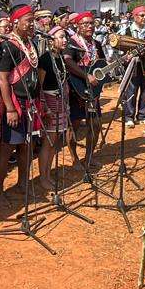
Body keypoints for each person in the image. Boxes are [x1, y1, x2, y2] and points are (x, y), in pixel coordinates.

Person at [0, 4, 40, 206]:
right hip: (15, 104)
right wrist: (10, 109)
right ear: (15, 22)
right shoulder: (8, 46)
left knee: (27, 146)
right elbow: (3, 78)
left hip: (30, 102)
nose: (32, 24)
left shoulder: (32, 44)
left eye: (33, 20)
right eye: (28, 20)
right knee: (7, 148)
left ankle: (23, 182)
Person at [65, 11, 103, 170]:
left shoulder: (97, 44)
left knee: (95, 125)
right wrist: (86, 76)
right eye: (85, 24)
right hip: (76, 91)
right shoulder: (72, 43)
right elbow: (67, 61)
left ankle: (89, 157)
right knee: (73, 125)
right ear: (77, 26)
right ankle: (74, 158)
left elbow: (101, 66)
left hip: (92, 93)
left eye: (91, 23)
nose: (89, 26)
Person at [37, 25, 70, 193]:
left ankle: (48, 174)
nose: (65, 40)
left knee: (55, 142)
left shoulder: (61, 58)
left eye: (65, 37)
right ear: (51, 41)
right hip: (49, 104)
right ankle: (42, 177)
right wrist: (45, 108)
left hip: (60, 103)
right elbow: (40, 86)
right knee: (48, 142)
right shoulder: (44, 59)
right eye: (61, 37)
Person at [118, 6, 145, 127]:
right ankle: (129, 116)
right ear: (135, 17)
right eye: (142, 15)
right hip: (132, 65)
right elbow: (117, 47)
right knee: (131, 90)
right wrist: (124, 57)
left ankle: (143, 115)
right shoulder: (126, 30)